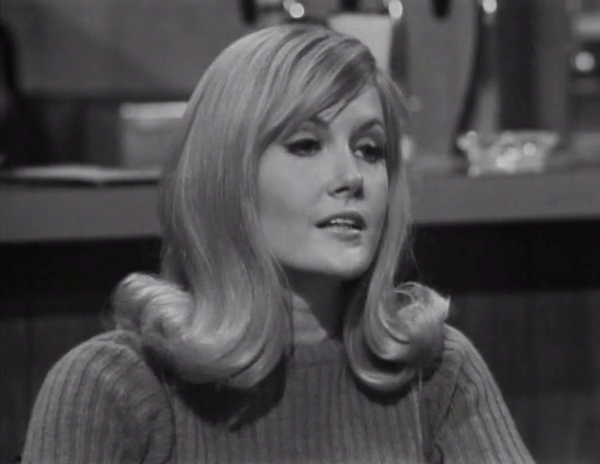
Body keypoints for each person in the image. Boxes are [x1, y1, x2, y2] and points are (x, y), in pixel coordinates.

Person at [21, 23, 534, 463]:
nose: (350, 177)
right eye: (306, 145)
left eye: (370, 149)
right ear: (226, 176)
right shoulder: (114, 386)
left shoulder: (435, 370)